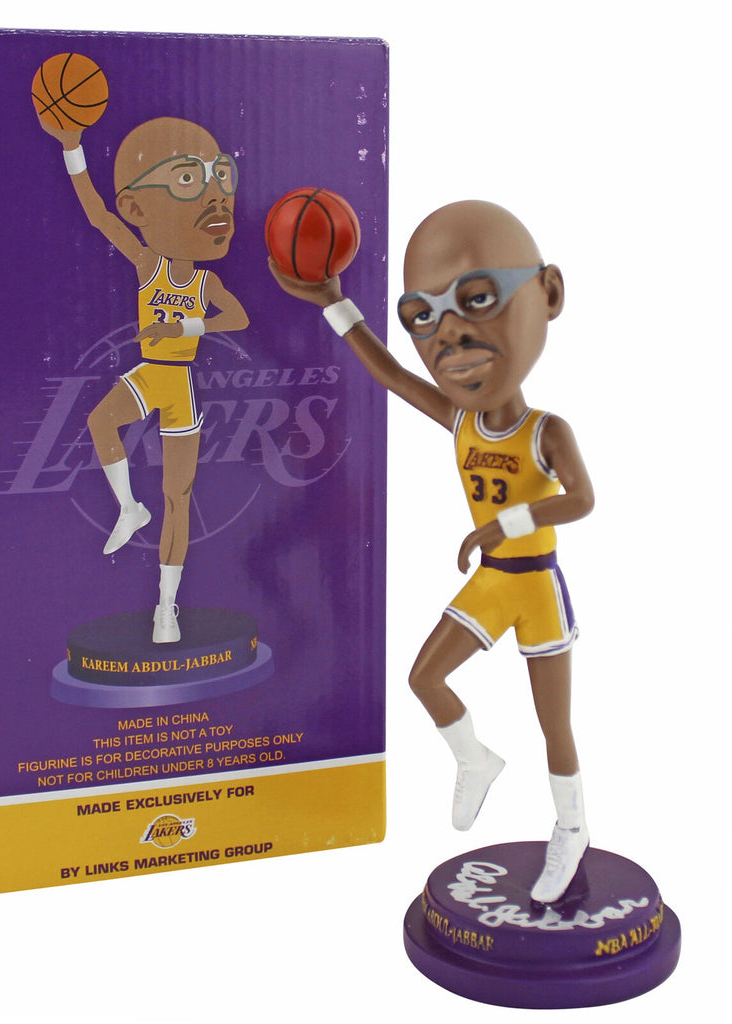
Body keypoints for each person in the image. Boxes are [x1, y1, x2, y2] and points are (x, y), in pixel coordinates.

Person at [269, 200, 594, 904]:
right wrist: (334, 304)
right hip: (493, 581)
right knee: (423, 678)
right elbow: (391, 374)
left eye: (475, 301)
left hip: (535, 582)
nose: (448, 333)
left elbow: (581, 501)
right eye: (422, 316)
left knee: (553, 723)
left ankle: (571, 827)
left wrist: (502, 524)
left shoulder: (546, 430)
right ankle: (474, 758)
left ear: (547, 294)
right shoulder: (462, 420)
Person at [41, 116, 249, 643]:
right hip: (152, 374)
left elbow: (239, 318)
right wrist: (72, 147)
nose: (214, 196)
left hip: (180, 386)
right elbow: (97, 214)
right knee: (100, 420)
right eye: (189, 180)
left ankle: (165, 607)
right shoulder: (147, 262)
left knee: (178, 497)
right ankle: (130, 508)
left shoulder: (206, 281)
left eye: (221, 176)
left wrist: (185, 326)